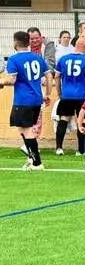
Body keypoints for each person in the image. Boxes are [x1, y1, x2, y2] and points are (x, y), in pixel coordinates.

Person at [3, 31, 50, 170]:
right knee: (22, 128)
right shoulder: (37, 58)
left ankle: (37, 163)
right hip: (36, 98)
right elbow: (49, 76)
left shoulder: (13, 59)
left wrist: (1, 81)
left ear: (15, 43)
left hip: (23, 100)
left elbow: (12, 80)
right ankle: (31, 156)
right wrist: (47, 93)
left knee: (27, 130)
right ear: (28, 42)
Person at [54, 35, 85, 157]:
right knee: (82, 121)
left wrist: (59, 92)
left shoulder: (63, 59)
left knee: (63, 120)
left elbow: (57, 76)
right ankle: (81, 150)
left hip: (66, 95)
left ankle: (59, 148)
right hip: (82, 96)